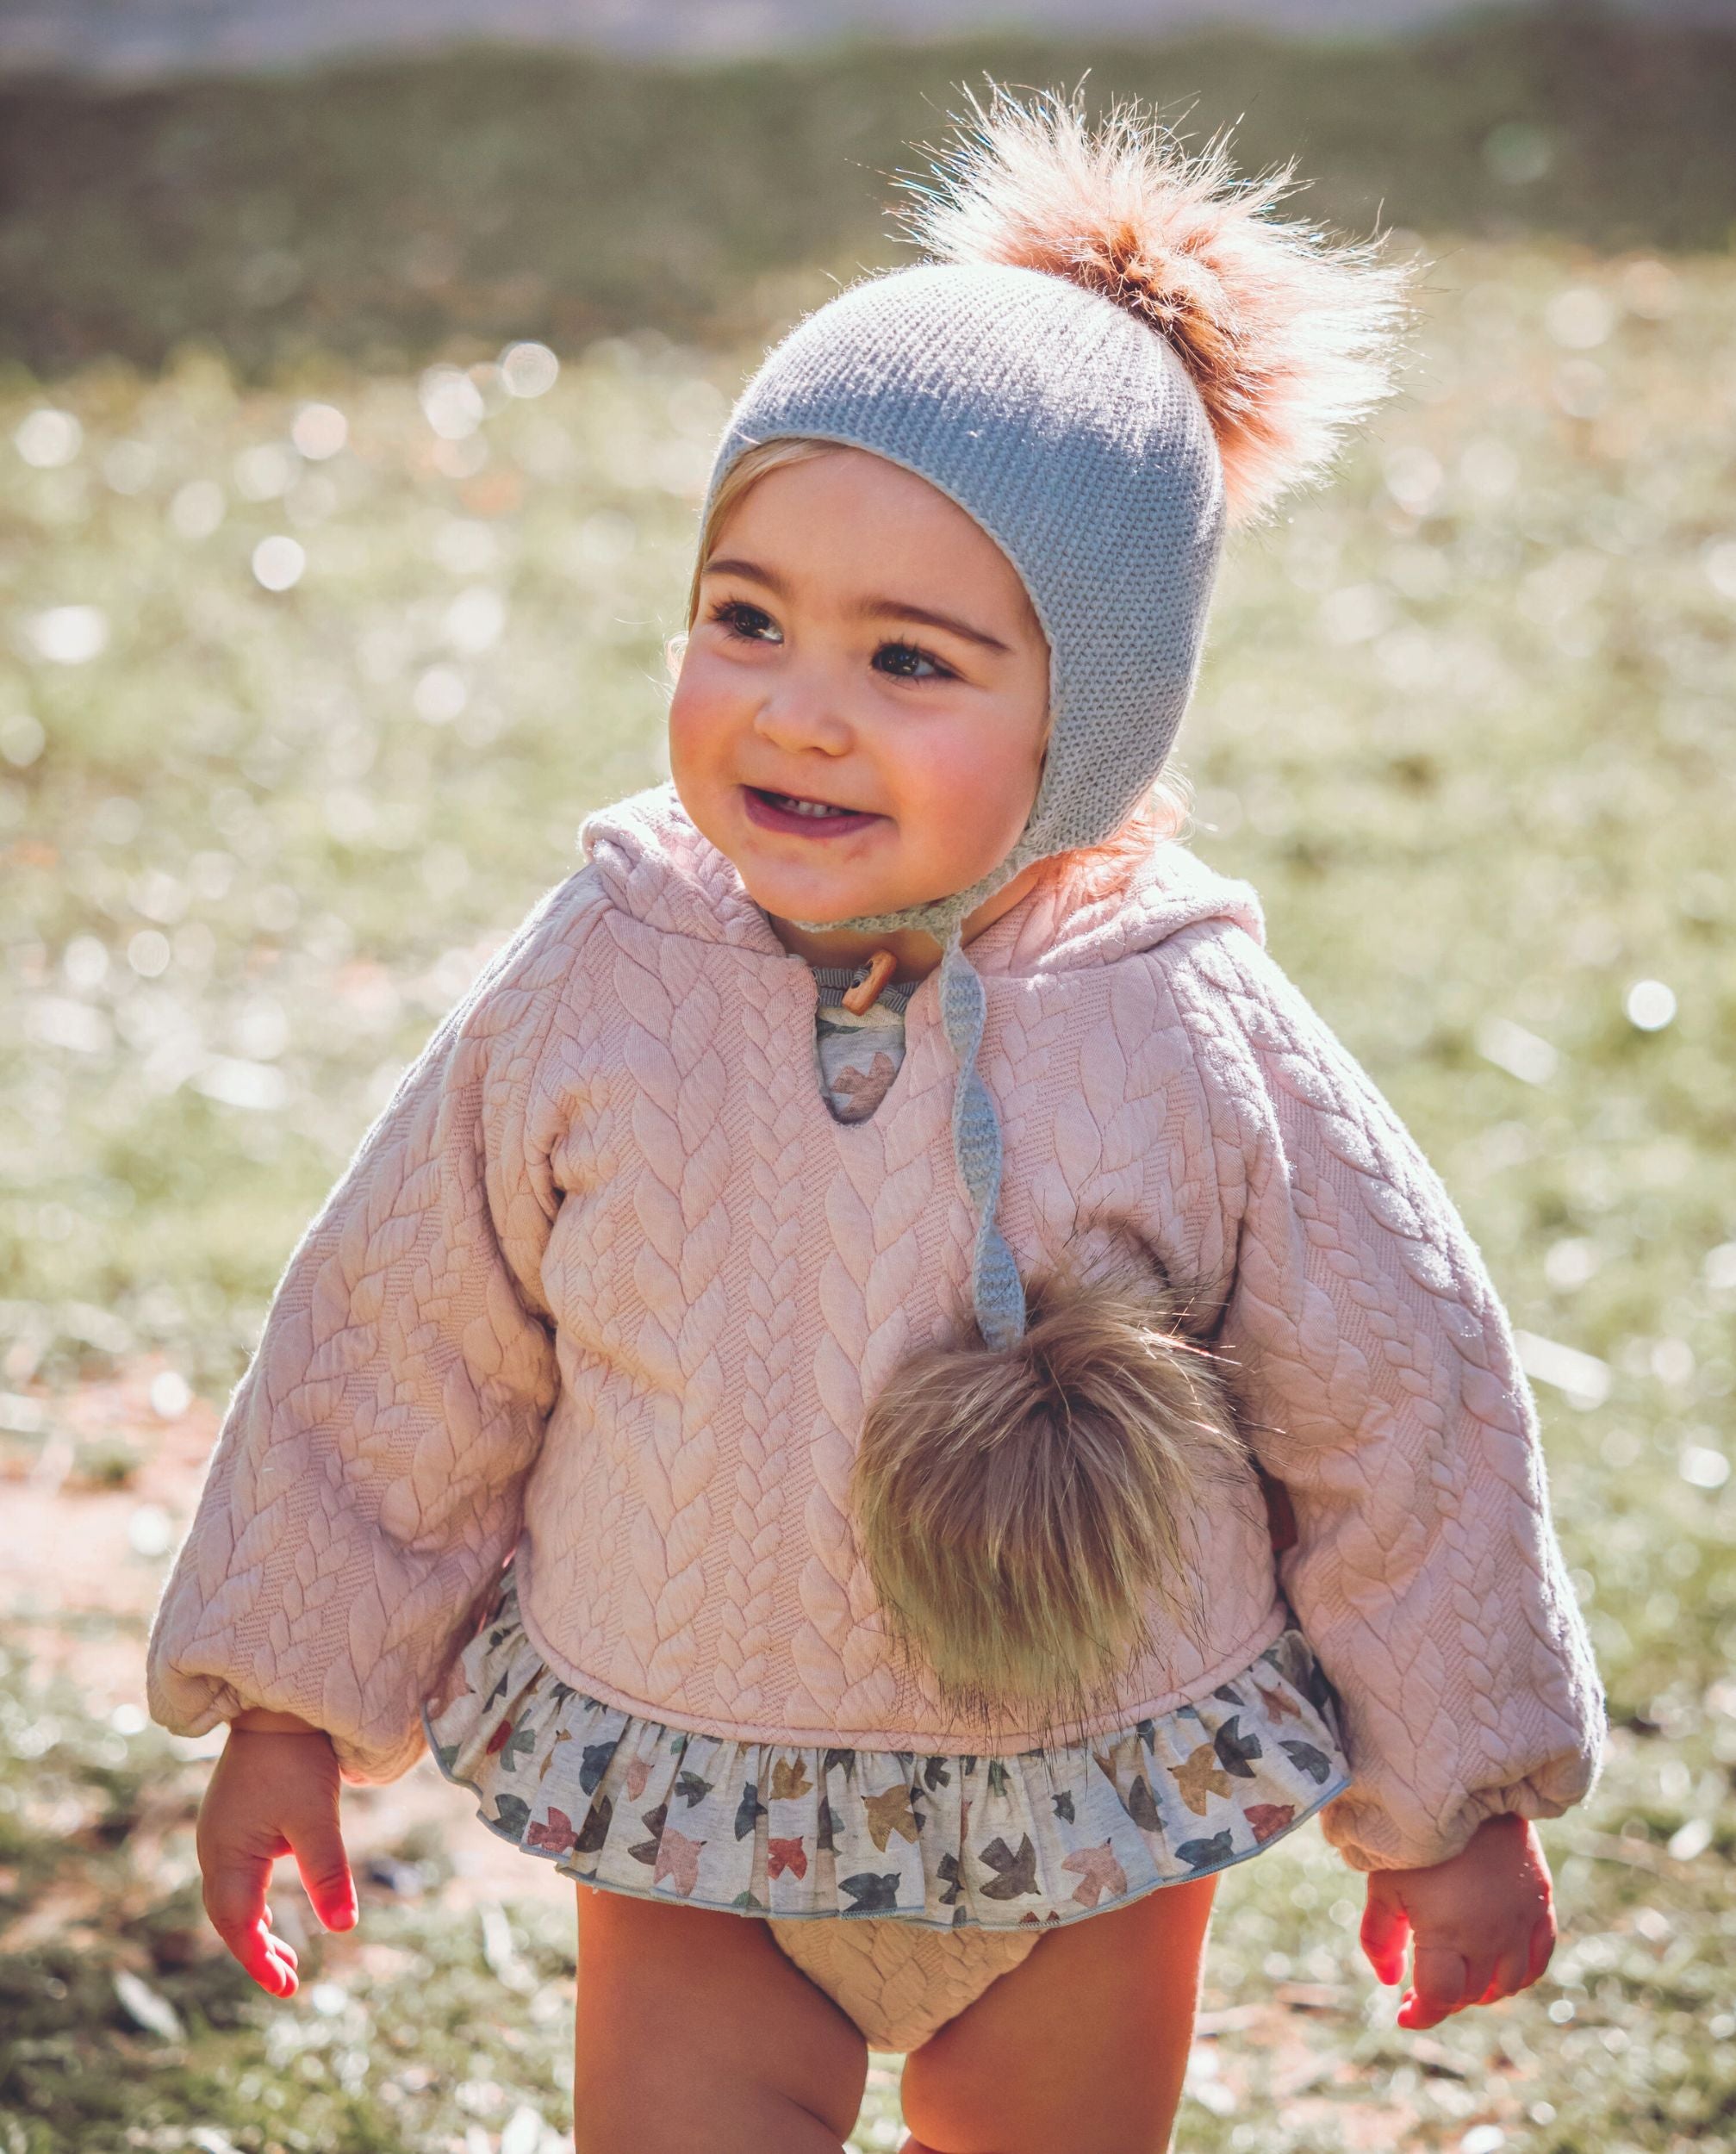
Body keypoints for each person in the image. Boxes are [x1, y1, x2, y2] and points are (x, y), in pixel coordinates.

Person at [147, 83, 1605, 2154]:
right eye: (747, 615)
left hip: (1093, 1802)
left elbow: (1405, 1399)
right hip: (693, 1796)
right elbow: (398, 1334)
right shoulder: (608, 972)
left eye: (910, 657)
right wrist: (289, 1699)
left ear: (1089, 718)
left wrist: (1454, 1794)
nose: (798, 705)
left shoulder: (1183, 1022)